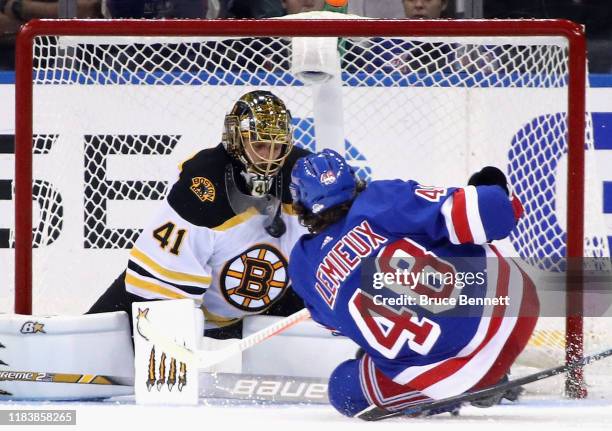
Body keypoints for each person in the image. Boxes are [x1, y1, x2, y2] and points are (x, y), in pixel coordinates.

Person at [287, 149, 539, 417]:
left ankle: (461, 392)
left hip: (457, 375)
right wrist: (490, 188)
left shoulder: (303, 268)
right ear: (352, 181)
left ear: (300, 206)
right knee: (457, 238)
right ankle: (485, 373)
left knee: (344, 388)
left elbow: (338, 326)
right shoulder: (380, 199)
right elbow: (495, 215)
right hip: (516, 311)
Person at [88, 91, 310, 339]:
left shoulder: (304, 174)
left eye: (276, 146)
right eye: (259, 145)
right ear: (236, 141)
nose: (268, 158)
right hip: (168, 300)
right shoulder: (204, 186)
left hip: (261, 314)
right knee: (90, 350)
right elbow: (162, 300)